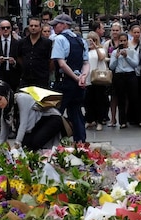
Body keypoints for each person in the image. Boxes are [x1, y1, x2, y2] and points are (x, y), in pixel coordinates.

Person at [50, 14, 89, 143]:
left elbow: (61, 63)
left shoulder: (59, 39)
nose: (54, 27)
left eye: (56, 24)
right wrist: (82, 77)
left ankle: (54, 142)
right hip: (78, 85)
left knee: (55, 114)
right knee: (76, 113)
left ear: (64, 25)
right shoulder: (80, 39)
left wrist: (76, 78)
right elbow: (85, 63)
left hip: (64, 82)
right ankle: (81, 142)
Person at [0, 81, 63, 150]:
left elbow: (23, 124)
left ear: (7, 95)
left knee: (33, 143)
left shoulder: (20, 99)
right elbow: (3, 136)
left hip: (50, 119)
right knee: (26, 144)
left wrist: (17, 145)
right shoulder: (5, 110)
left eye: (0, 99)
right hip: (36, 124)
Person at [110, 32, 140, 129]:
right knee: (121, 99)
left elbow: (135, 64)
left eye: (124, 40)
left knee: (134, 97)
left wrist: (127, 56)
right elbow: (111, 66)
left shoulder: (132, 51)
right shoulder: (115, 52)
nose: (123, 42)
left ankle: (136, 119)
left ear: (127, 41)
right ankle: (122, 121)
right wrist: (116, 57)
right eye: (121, 41)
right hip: (119, 76)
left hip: (130, 75)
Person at [16, 17, 53, 88]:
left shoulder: (47, 43)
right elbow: (19, 57)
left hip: (42, 79)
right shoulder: (22, 42)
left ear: (40, 28)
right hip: (26, 78)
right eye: (31, 26)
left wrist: (46, 71)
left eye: (36, 26)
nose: (33, 28)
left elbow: (51, 60)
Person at [84, 32, 108, 131]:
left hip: (98, 78)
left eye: (93, 40)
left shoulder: (101, 49)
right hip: (88, 79)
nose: (91, 42)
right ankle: (90, 120)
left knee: (99, 100)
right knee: (88, 101)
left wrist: (95, 47)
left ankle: (100, 120)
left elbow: (102, 57)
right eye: (89, 40)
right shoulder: (85, 51)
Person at [105, 22, 123, 127]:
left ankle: (123, 119)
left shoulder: (125, 41)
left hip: (123, 72)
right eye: (113, 30)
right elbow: (103, 57)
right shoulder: (108, 43)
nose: (115, 32)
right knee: (113, 97)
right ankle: (112, 119)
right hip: (111, 73)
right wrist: (112, 57)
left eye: (117, 30)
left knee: (124, 97)